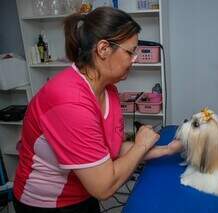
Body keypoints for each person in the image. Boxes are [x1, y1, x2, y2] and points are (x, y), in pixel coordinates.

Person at [13, 7, 182, 213]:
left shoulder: (109, 90)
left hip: (83, 194)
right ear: (103, 49)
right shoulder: (70, 101)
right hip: (48, 204)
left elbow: (111, 150)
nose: (134, 59)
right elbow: (104, 187)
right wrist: (140, 146)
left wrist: (168, 150)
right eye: (130, 52)